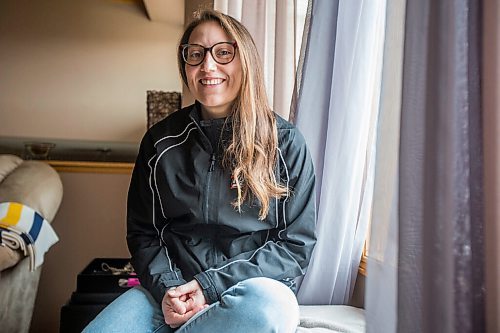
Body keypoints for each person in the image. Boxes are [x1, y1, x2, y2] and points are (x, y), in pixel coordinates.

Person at [83, 9, 316, 333]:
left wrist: (209, 286)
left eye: (223, 52)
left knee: (268, 312)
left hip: (251, 290)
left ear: (244, 60)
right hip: (171, 288)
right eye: (196, 54)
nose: (208, 66)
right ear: (185, 65)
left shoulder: (286, 144)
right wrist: (169, 289)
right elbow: (145, 233)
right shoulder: (159, 142)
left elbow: (294, 246)